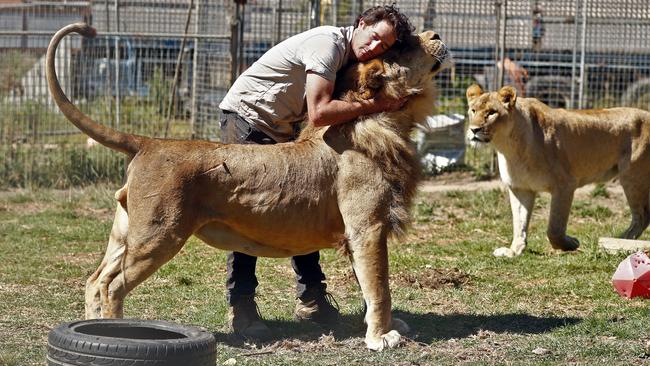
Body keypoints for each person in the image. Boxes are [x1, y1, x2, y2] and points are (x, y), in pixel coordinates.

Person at [218, 4, 414, 339]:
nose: (373, 48)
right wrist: (379, 105)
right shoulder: (329, 45)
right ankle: (242, 307)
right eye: (374, 37)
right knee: (249, 213)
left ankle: (311, 299)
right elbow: (320, 112)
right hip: (249, 117)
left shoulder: (351, 57)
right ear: (362, 23)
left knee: (304, 207)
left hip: (284, 127)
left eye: (383, 47)